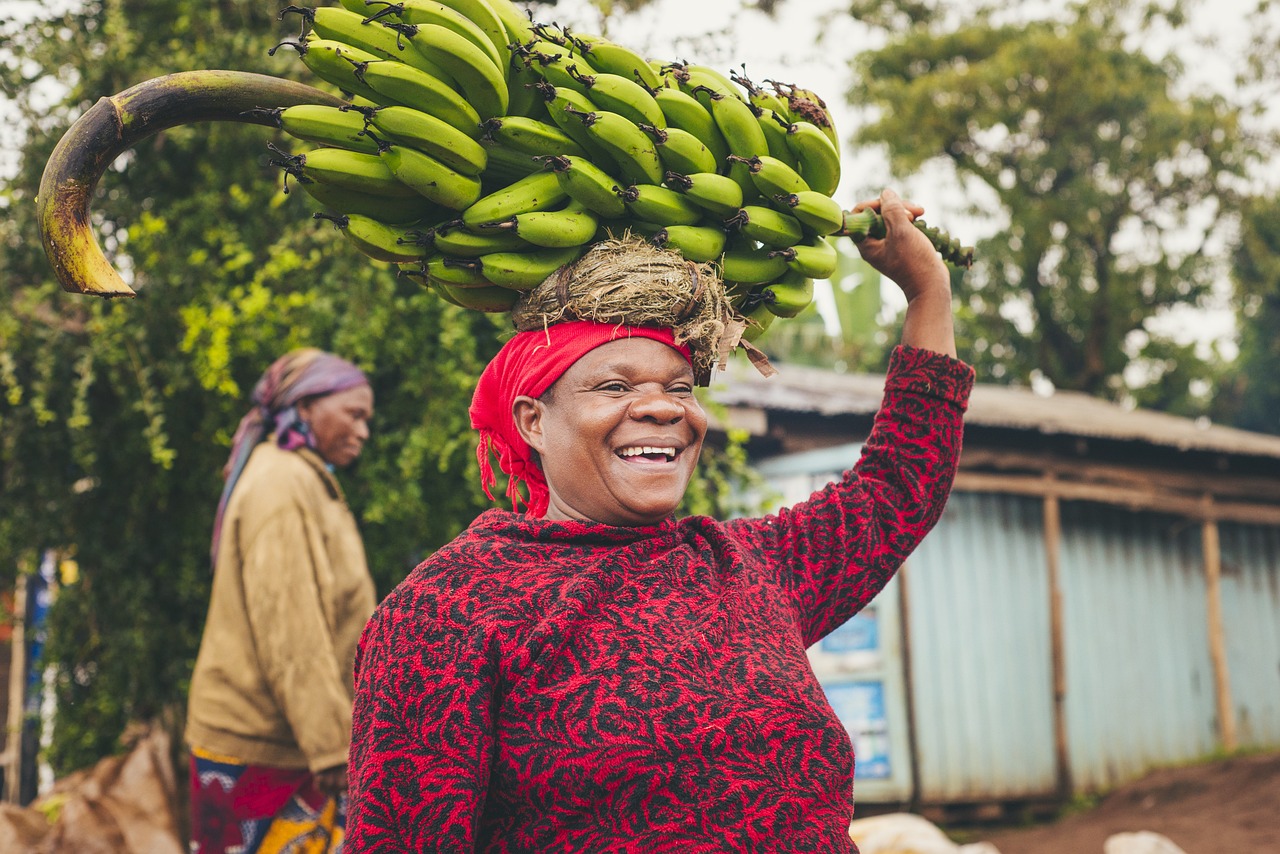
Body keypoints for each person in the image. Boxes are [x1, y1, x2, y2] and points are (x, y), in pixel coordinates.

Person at [346, 189, 974, 852]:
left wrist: (926, 289)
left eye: (678, 387)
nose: (662, 408)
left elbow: (897, 487)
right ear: (533, 420)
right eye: (615, 387)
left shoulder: (746, 565)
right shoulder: (449, 609)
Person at [186, 347, 377, 854]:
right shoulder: (281, 484)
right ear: (307, 406)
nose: (362, 431)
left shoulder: (304, 477)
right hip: (265, 747)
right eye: (354, 415)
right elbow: (292, 632)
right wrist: (333, 749)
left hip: (287, 742)